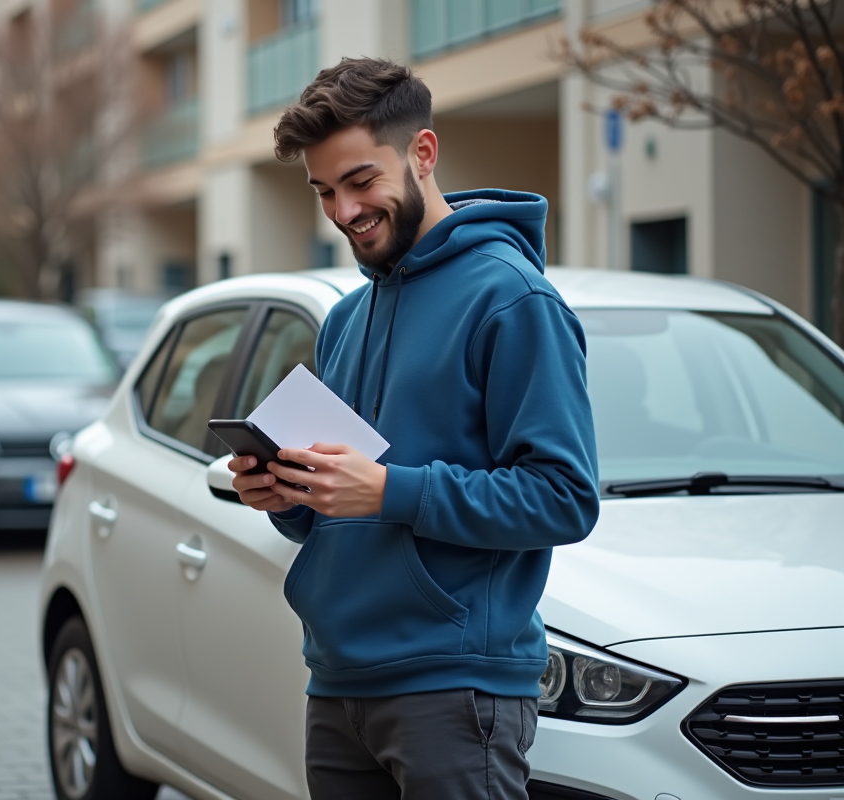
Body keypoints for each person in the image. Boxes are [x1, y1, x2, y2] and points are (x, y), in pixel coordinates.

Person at [227, 57, 600, 800]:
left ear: (422, 155)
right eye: (325, 191)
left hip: (454, 689)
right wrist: (288, 495)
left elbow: (564, 497)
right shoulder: (344, 319)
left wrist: (390, 491)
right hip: (335, 682)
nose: (342, 211)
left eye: (361, 182)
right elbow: (336, 510)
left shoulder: (513, 301)